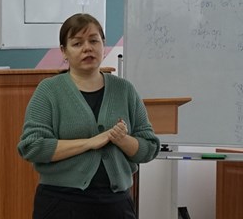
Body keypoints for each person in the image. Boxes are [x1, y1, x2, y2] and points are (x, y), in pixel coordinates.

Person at [17, 13, 160, 219]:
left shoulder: (124, 90)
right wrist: (89, 143)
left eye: (94, 41)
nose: (87, 48)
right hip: (61, 202)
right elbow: (32, 146)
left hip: (116, 204)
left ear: (103, 45)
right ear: (64, 51)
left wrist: (123, 140)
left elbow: (149, 148)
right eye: (77, 43)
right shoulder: (49, 91)